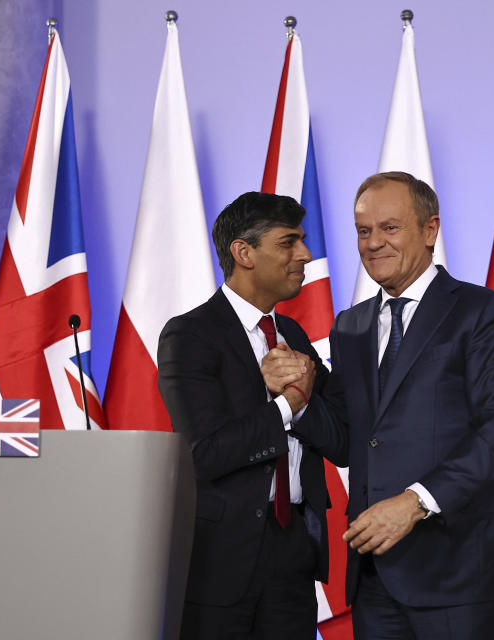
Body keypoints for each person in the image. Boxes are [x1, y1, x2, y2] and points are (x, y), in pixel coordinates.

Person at [288, 171, 494, 639]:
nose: (374, 243)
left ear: (430, 230)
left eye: (390, 228)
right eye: (363, 230)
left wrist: (418, 501)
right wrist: (298, 401)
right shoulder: (350, 327)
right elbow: (354, 442)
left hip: (456, 571)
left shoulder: (481, 312)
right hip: (374, 575)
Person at [157, 191, 331, 640]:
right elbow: (206, 454)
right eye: (288, 242)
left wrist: (304, 399)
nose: (305, 255)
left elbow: (340, 440)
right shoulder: (191, 335)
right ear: (244, 252)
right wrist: (286, 406)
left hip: (294, 553)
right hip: (221, 560)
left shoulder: (292, 334)